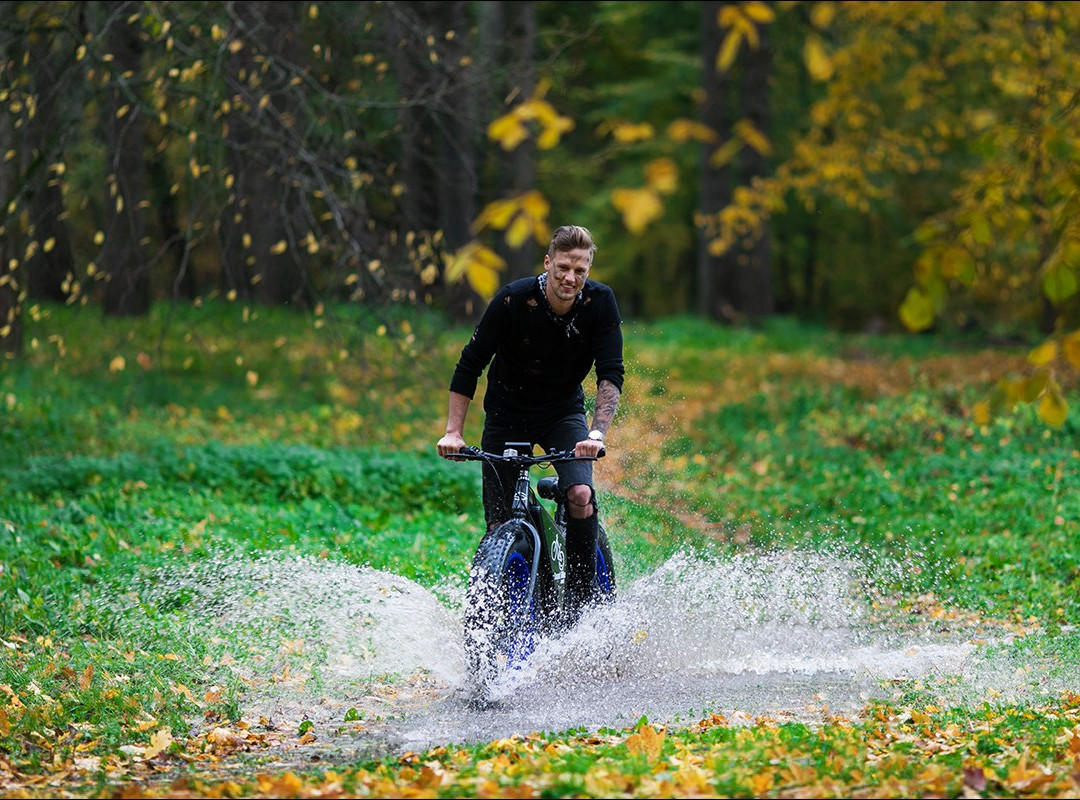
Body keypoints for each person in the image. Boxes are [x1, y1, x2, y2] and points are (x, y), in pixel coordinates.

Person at [436, 224, 624, 618]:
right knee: (499, 524)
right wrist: (454, 431)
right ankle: (498, 620)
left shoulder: (600, 303)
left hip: (563, 414)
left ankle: (580, 605)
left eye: (580, 270)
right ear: (547, 263)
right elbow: (469, 365)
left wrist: (595, 433)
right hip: (507, 414)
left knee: (580, 496)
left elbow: (610, 373)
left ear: (588, 269)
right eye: (562, 268)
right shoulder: (512, 300)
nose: (570, 278)